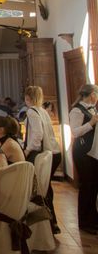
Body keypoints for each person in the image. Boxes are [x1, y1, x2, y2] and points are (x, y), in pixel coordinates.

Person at [23, 85, 61, 233]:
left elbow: (37, 135)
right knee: (46, 188)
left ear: (28, 98)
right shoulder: (43, 111)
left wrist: (27, 150)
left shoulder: (31, 111)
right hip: (54, 152)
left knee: (40, 189)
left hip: (43, 153)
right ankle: (52, 223)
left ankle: (46, 224)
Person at [69, 84, 98, 234]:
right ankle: (85, 222)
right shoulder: (76, 110)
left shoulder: (91, 108)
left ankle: (93, 219)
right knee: (87, 186)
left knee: (93, 186)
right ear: (92, 94)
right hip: (82, 153)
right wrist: (91, 123)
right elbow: (74, 132)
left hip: (92, 152)